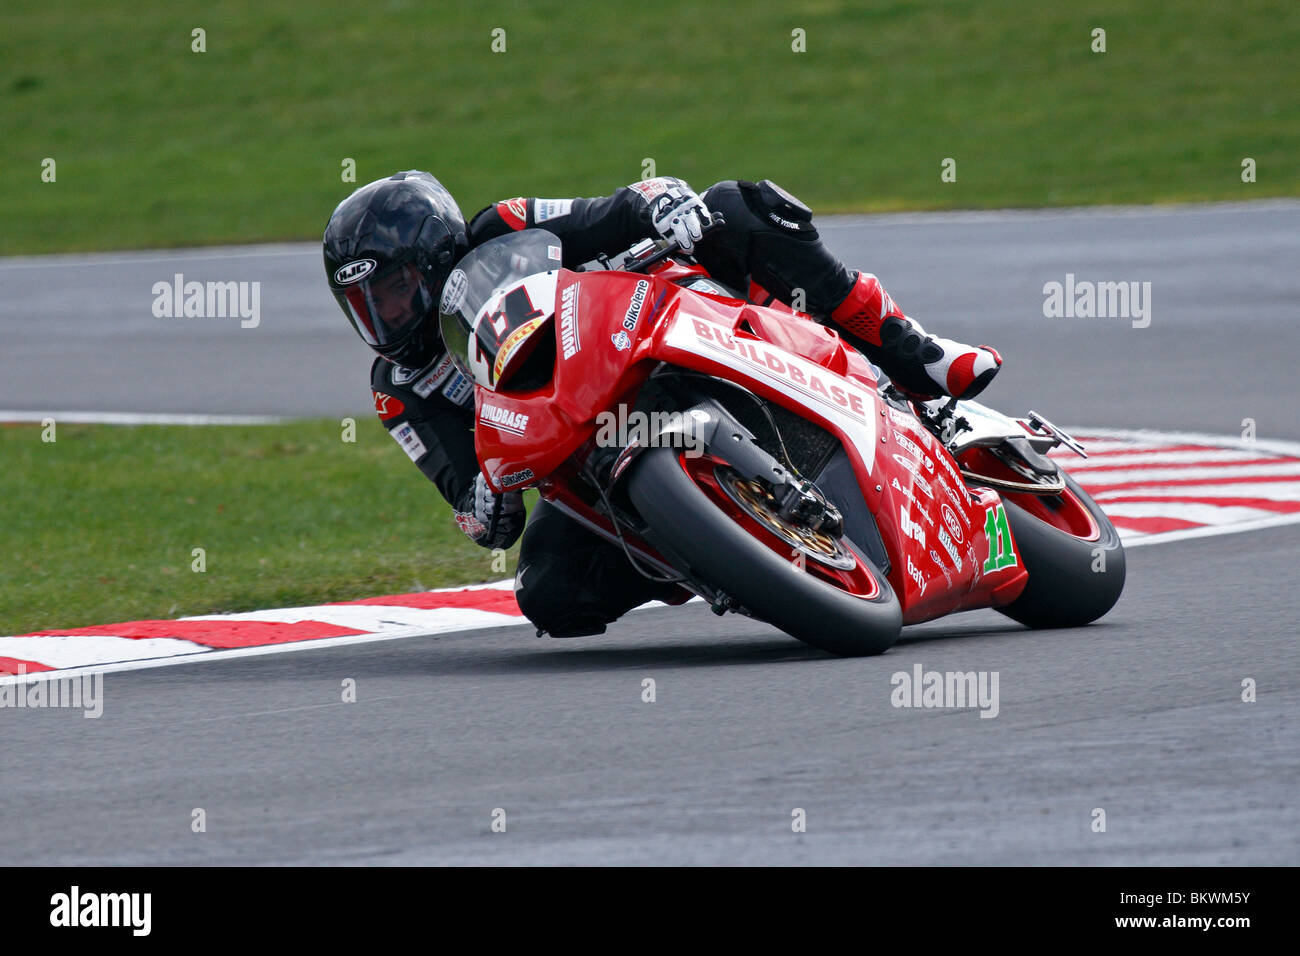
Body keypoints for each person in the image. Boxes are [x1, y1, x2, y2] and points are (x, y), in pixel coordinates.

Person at [323, 170, 1001, 636]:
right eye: (366, 305)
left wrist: (660, 206)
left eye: (394, 289)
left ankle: (914, 356)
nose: (386, 316)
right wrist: (484, 504)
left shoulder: (501, 229)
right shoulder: (399, 390)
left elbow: (608, 211)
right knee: (549, 593)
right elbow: (467, 500)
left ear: (438, 255)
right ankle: (703, 544)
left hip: (644, 333)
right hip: (583, 456)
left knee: (738, 207)